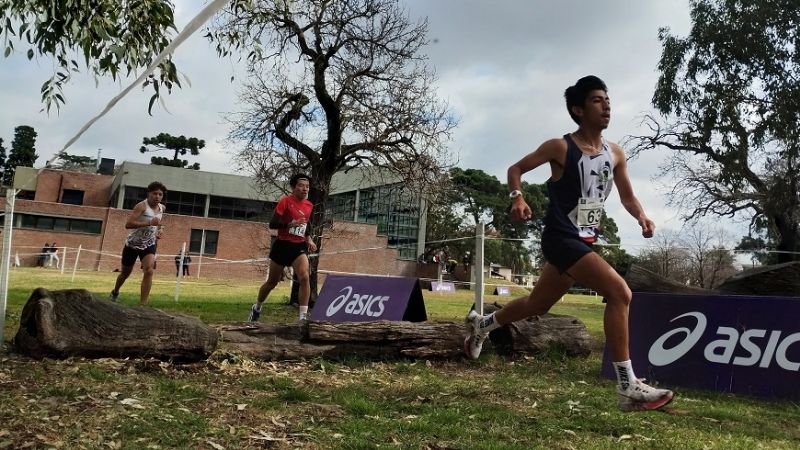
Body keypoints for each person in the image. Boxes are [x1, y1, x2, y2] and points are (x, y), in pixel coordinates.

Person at [464, 76, 674, 412]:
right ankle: (627, 385)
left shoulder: (615, 153)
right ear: (578, 109)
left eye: (607, 99)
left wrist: (642, 217)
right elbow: (515, 168)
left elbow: (628, 196)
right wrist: (517, 198)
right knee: (621, 293)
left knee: (537, 304)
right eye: (596, 100)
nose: (606, 105)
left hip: (585, 241)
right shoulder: (560, 148)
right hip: (561, 238)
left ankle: (482, 325)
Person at [249, 173, 317, 322]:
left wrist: (309, 240)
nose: (305, 189)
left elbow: (305, 227)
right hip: (282, 245)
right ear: (293, 187)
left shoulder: (309, 206)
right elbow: (272, 224)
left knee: (305, 277)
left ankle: (303, 317)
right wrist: (289, 225)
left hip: (298, 246)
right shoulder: (285, 201)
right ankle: (257, 307)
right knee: (272, 282)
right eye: (301, 186)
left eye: (307, 187)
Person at [109, 181, 167, 305]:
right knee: (125, 274)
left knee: (149, 270)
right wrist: (149, 223)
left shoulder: (162, 208)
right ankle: (115, 291)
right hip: (132, 244)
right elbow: (128, 224)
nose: (157, 196)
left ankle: (142, 305)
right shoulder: (141, 206)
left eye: (160, 194)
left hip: (148, 243)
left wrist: (160, 231)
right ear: (148, 194)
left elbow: (159, 222)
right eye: (154, 193)